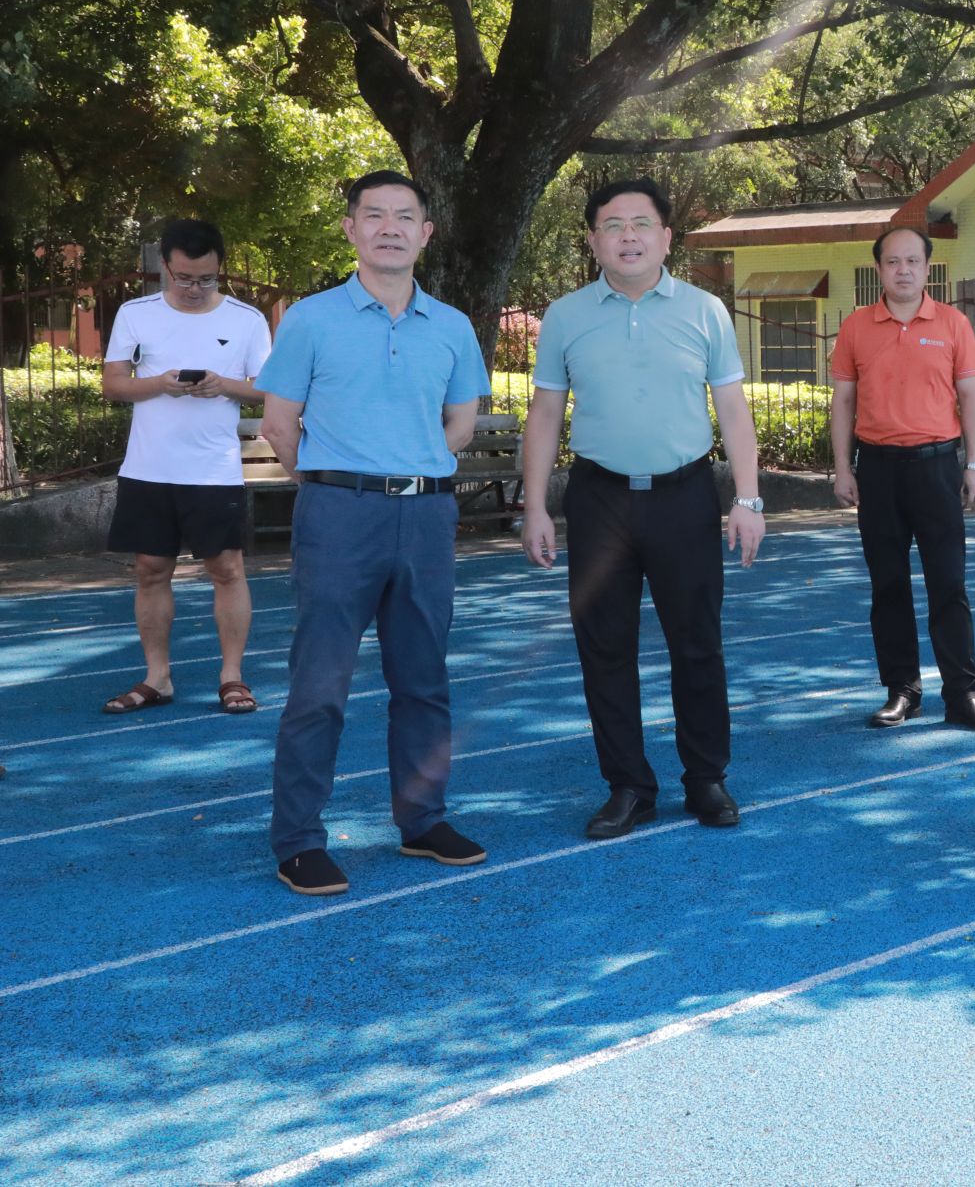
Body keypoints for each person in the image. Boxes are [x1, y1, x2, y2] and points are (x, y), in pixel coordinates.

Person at [256, 170, 493, 896]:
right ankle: (298, 840)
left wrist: (408, 472)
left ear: (426, 232)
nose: (390, 228)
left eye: (405, 216)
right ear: (351, 228)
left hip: (425, 516)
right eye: (375, 215)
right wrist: (337, 483)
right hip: (339, 515)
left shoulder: (451, 325)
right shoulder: (310, 319)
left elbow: (461, 423)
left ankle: (423, 821)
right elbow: (279, 424)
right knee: (320, 684)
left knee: (424, 679)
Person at [520, 177, 766, 841]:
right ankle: (628, 785)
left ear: (666, 236)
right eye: (612, 225)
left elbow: (733, 408)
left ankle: (706, 776)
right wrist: (535, 505)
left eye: (641, 224)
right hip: (598, 498)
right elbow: (545, 414)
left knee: (697, 642)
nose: (627, 236)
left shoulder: (705, 311)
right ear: (592, 239)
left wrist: (747, 498)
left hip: (685, 495)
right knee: (603, 647)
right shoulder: (566, 315)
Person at [829, 224, 975, 732]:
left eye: (912, 261)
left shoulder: (953, 324)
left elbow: (970, 398)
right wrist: (843, 468)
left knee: (949, 583)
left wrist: (974, 465)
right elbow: (843, 401)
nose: (902, 270)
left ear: (928, 269)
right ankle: (902, 691)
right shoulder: (856, 326)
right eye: (892, 262)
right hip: (878, 470)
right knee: (888, 586)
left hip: (938, 468)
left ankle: (962, 694)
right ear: (878, 269)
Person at [98, 219, 271, 716]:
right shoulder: (135, 313)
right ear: (164, 268)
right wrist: (160, 384)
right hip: (148, 468)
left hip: (213, 470)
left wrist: (223, 385)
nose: (194, 288)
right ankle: (158, 678)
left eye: (206, 279)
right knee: (151, 570)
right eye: (184, 278)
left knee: (227, 569)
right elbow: (113, 384)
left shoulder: (247, 319)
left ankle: (232, 677)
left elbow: (267, 388)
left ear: (220, 269)